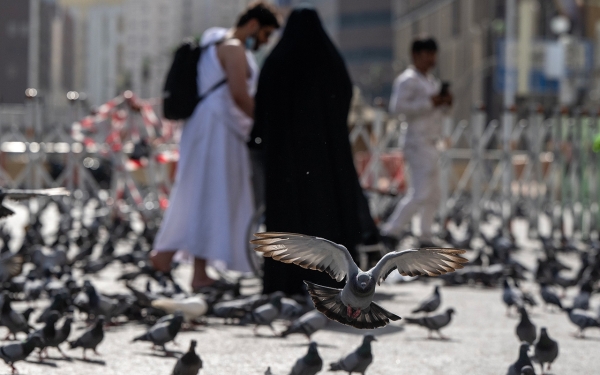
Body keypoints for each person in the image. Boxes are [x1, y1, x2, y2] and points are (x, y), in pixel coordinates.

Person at [150, 2, 280, 291]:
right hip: (216, 130)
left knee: (199, 194)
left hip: (207, 128)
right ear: (253, 25)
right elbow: (239, 95)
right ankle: (198, 273)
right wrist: (267, 125)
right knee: (211, 195)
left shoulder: (214, 43)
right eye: (266, 33)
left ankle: (167, 256)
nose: (265, 41)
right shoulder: (233, 47)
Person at [251, 5, 378, 296]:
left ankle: (285, 282)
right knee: (326, 217)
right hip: (325, 158)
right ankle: (330, 279)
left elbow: (263, 103)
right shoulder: (329, 61)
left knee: (288, 221)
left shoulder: (278, 61)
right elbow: (344, 95)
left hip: (286, 162)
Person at [379, 37, 452, 249]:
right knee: (420, 193)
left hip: (432, 142)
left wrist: (445, 103)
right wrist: (430, 102)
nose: (432, 59)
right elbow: (397, 107)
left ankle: (426, 236)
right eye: (427, 54)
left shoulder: (431, 81)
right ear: (415, 55)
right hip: (417, 142)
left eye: (433, 54)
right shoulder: (407, 80)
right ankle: (390, 231)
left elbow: (439, 112)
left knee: (434, 193)